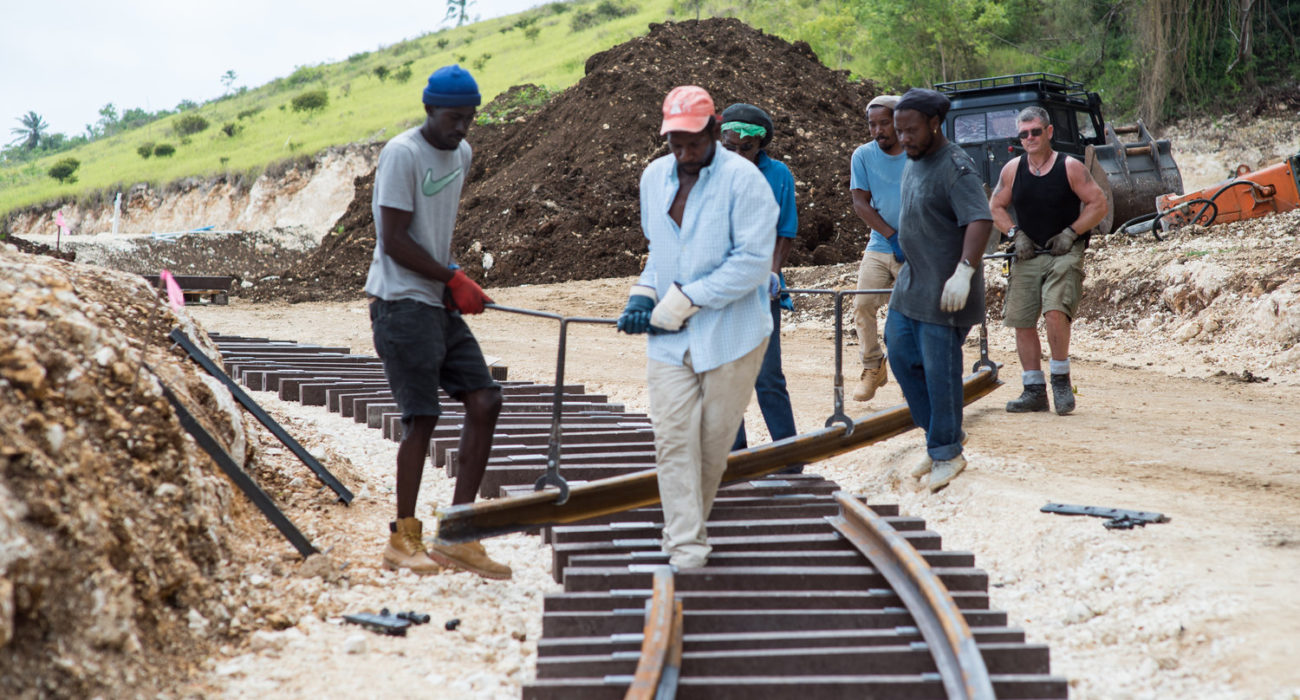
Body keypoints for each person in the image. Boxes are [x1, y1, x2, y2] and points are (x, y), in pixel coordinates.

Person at [617, 85, 777, 568]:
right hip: (669, 339)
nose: (685, 153)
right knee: (672, 439)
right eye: (675, 143)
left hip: (734, 336)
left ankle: (689, 529)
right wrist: (643, 295)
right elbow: (662, 254)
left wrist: (686, 299)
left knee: (709, 446)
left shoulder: (744, 182)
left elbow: (752, 264)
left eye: (694, 142)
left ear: (714, 128)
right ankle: (685, 544)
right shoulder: (653, 179)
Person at [365, 65, 511, 579]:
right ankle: (403, 538)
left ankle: (458, 532)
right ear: (429, 109)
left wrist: (448, 286)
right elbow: (394, 240)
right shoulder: (402, 154)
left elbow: (432, 231)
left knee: (486, 398)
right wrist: (452, 277)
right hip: (400, 303)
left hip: (435, 301)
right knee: (422, 418)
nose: (463, 128)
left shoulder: (463, 153)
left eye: (470, 117)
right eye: (454, 117)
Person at [884, 88, 993, 493]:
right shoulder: (915, 160)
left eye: (911, 130)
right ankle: (940, 436)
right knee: (900, 355)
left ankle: (946, 451)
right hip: (912, 283)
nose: (904, 138)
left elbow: (979, 219)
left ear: (934, 124)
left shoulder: (955, 165)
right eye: (900, 131)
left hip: (947, 287)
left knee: (940, 372)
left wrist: (965, 271)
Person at [988, 106, 1107, 416]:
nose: (1029, 138)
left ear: (1049, 132)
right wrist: (1016, 234)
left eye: (1035, 132)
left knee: (1055, 312)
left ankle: (1060, 380)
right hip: (1029, 253)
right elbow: (996, 207)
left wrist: (1071, 233)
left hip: (1063, 252)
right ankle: (1033, 390)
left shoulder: (1069, 167)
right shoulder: (1013, 169)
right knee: (1022, 318)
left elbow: (1098, 203)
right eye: (1024, 134)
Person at [719, 103, 800, 469]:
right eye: (728, 146)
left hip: (760, 289)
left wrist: (773, 270)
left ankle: (790, 457)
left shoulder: (778, 174)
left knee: (767, 375)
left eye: (744, 148)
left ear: (759, 146)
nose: (736, 154)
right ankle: (735, 459)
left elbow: (785, 230)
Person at [849, 94, 907, 402]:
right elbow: (860, 203)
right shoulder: (863, 156)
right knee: (862, 305)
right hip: (880, 244)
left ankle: (915, 373)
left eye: (884, 123)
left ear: (899, 121)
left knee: (911, 313)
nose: (878, 130)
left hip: (916, 248)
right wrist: (891, 234)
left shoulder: (917, 154)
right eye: (872, 124)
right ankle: (873, 366)